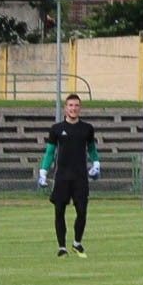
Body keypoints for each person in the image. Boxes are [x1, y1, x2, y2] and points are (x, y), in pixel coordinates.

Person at [37, 94, 100, 258]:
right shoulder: (56, 129)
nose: (73, 108)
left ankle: (77, 243)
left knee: (82, 211)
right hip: (62, 177)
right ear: (66, 108)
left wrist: (96, 164)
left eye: (76, 105)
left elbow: (92, 149)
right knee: (59, 212)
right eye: (70, 105)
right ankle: (62, 247)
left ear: (80, 108)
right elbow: (50, 152)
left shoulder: (87, 128)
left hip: (80, 177)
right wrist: (43, 172)